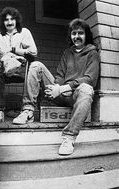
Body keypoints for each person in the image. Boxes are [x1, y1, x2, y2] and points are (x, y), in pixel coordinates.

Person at [13, 18, 100, 155]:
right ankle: (28, 111)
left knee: (87, 89)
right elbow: (60, 75)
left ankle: (69, 137)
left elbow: (90, 79)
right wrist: (54, 88)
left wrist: (64, 88)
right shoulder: (67, 53)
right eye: (73, 33)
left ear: (86, 35)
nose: (76, 36)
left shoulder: (92, 53)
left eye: (80, 33)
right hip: (61, 93)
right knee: (36, 66)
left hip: (77, 95)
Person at [0, 7, 37, 124]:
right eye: (6, 20)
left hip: (21, 68)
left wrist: (14, 50)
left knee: (34, 67)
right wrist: (3, 56)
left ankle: (27, 111)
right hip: (3, 69)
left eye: (12, 19)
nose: (9, 22)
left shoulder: (24, 32)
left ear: (17, 20)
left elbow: (33, 52)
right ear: (3, 22)